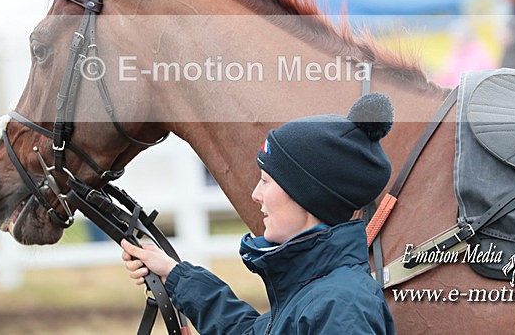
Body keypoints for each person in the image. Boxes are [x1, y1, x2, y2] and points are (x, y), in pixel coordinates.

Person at [121, 93, 396, 334]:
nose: (255, 194)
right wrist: (175, 275)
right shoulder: (316, 294)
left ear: (307, 196)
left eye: (266, 181)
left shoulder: (341, 307)